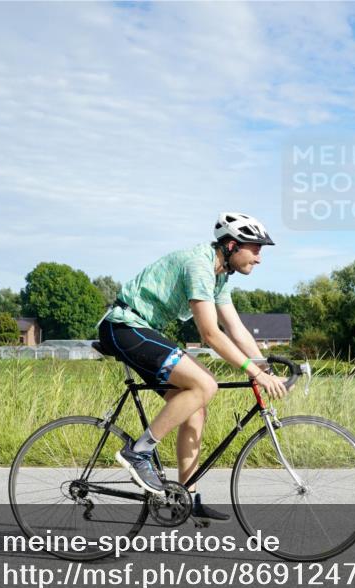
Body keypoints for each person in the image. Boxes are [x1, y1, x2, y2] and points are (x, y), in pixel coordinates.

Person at [96, 212, 289, 522]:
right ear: (230, 245)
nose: (259, 257)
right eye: (255, 248)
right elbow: (210, 335)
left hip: (142, 329)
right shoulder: (199, 265)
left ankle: (185, 496)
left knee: (195, 407)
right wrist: (253, 372)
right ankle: (138, 451)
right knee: (205, 385)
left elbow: (236, 329)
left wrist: (264, 368)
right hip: (124, 327)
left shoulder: (219, 275)